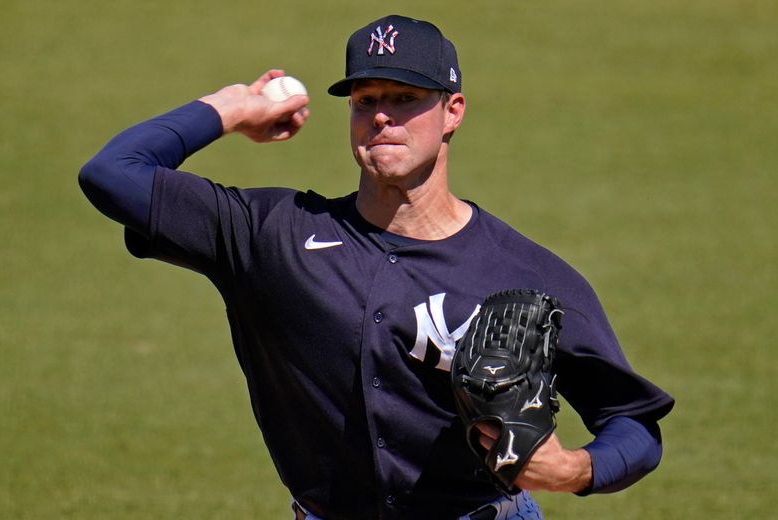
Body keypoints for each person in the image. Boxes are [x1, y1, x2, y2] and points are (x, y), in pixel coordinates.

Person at [79, 14, 674, 520]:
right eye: (366, 101)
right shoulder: (272, 234)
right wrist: (232, 107)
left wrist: (573, 469)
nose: (382, 117)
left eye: (405, 98)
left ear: (453, 111)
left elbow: (634, 424)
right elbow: (112, 174)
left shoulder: (527, 274)